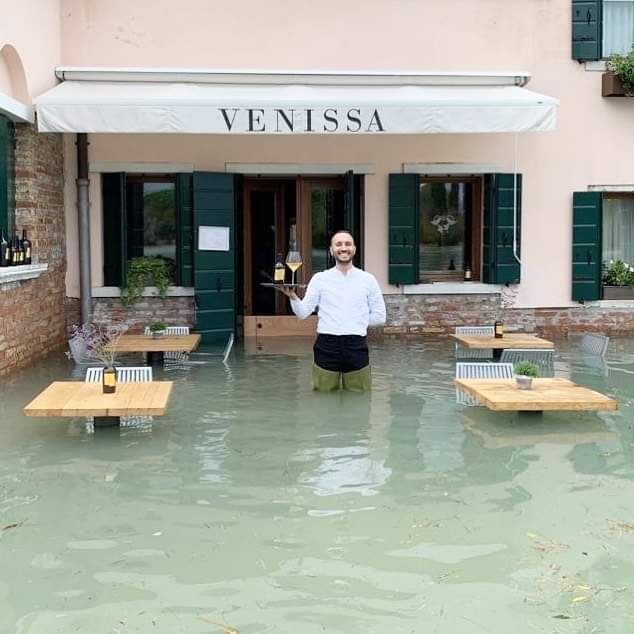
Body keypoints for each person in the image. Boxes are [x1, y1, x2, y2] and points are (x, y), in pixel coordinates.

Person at [282, 230, 386, 392]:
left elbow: (380, 317)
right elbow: (303, 313)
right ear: (331, 250)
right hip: (326, 345)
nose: (343, 248)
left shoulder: (368, 280)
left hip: (356, 345)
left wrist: (353, 321)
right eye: (338, 244)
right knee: (324, 400)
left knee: (358, 401)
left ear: (354, 249)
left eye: (347, 244)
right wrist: (293, 297)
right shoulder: (319, 279)